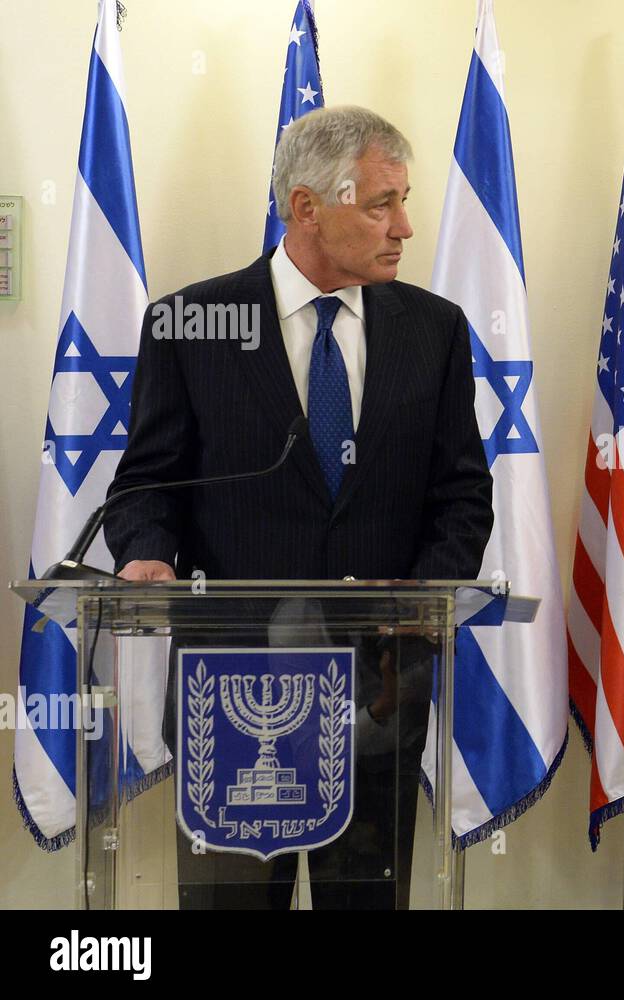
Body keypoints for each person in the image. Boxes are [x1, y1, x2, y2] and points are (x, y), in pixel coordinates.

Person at [104, 105, 493, 908]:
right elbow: (147, 483)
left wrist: (418, 603)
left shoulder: (436, 330)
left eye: (405, 199)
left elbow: (461, 495)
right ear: (307, 206)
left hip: (380, 691)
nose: (405, 226)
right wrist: (147, 553)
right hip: (235, 689)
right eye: (381, 203)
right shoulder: (191, 326)